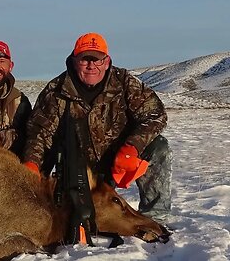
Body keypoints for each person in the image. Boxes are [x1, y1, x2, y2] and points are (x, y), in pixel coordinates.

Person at [23, 32, 172, 220]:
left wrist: (132, 147)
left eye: (97, 59)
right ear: (74, 60)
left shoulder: (125, 82)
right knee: (75, 216)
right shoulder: (56, 91)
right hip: (77, 168)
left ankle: (156, 216)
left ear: (107, 61)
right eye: (85, 59)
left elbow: (155, 114)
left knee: (159, 147)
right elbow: (39, 133)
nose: (91, 65)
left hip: (120, 161)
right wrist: (32, 165)